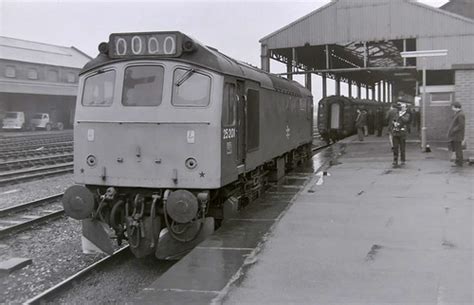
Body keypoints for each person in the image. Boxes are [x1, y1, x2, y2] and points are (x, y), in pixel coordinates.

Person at [447, 101, 465, 167]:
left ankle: (459, 163)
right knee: (457, 149)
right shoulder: (458, 113)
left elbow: (461, 125)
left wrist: (453, 130)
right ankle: (458, 162)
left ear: (456, 107)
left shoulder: (460, 114)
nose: (452, 108)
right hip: (456, 135)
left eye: (453, 107)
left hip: (457, 135)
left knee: (458, 149)